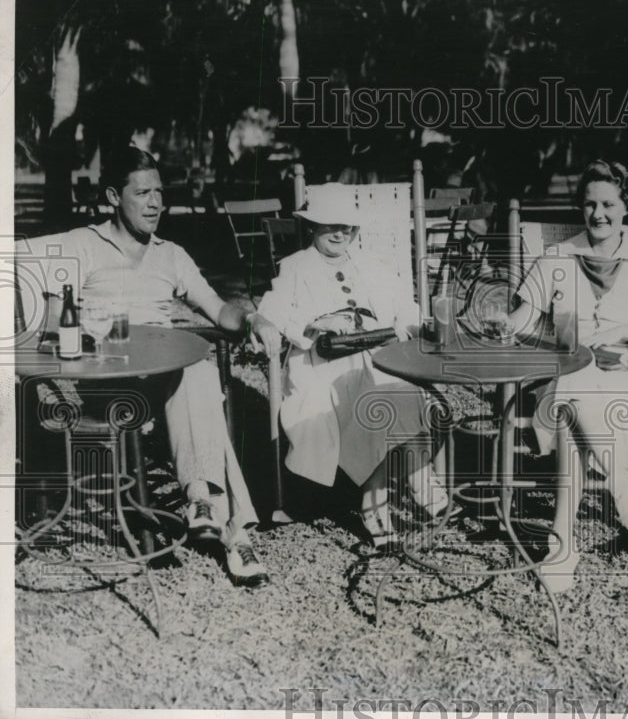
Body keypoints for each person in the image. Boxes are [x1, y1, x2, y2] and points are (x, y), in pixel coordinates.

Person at [18, 146, 281, 587]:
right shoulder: (82, 245)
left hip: (164, 378)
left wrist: (253, 318)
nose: (155, 203)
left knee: (195, 368)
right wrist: (77, 329)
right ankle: (233, 529)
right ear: (112, 197)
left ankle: (202, 502)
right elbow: (43, 306)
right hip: (108, 381)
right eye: (142, 193)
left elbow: (219, 310)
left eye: (159, 192)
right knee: (196, 376)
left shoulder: (171, 255)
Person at [508, 160, 628, 592]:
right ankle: (624, 500)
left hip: (623, 374)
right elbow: (522, 319)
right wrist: (503, 324)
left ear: (627, 207)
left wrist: (622, 331)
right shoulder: (557, 257)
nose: (598, 214)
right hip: (566, 373)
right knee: (574, 388)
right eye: (589, 204)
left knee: (573, 399)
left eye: (608, 204)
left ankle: (562, 545)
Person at [257, 185, 451, 548]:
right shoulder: (295, 267)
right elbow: (271, 313)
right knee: (371, 391)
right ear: (313, 226)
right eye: (330, 225)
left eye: (347, 226)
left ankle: (410, 481)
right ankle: (382, 498)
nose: (340, 233)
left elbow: (405, 307)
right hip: (321, 364)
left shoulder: (374, 265)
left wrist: (409, 327)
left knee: (399, 388)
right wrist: (316, 323)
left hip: (377, 353)